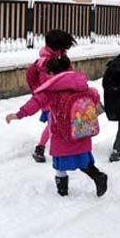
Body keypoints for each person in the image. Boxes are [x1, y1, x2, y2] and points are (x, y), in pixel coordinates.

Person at [6, 53, 108, 197]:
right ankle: (98, 176)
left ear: (52, 73)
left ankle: (62, 192)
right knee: (83, 160)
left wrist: (19, 114)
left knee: (60, 164)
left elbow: (35, 103)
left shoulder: (52, 91)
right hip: (81, 130)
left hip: (61, 133)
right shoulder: (81, 85)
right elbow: (95, 97)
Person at [26, 30, 77, 163]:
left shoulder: (57, 57)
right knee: (53, 124)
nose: (65, 51)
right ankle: (40, 148)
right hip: (51, 101)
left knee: (55, 124)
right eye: (64, 48)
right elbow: (48, 84)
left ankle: (43, 148)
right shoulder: (46, 63)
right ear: (57, 47)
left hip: (59, 99)